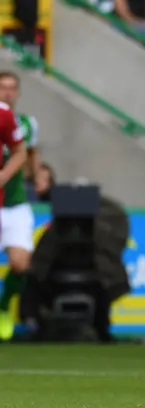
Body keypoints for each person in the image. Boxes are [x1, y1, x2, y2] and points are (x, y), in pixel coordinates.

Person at [0, 72, 31, 340]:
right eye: (3, 87)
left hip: (14, 202)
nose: (7, 92)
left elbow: (25, 152)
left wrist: (3, 176)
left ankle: (3, 306)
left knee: (21, 264)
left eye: (12, 88)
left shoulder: (15, 120)